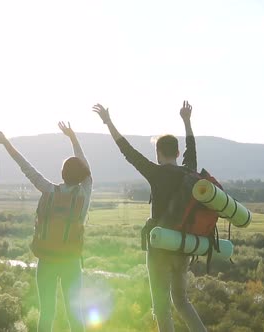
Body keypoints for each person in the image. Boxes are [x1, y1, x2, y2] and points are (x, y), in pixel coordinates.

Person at [93, 101, 206, 332]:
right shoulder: (190, 173)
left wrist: (108, 122)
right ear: (176, 152)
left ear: (157, 153)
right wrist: (187, 121)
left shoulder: (155, 172)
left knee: (161, 307)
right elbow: (192, 150)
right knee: (182, 301)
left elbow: (127, 151)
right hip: (183, 246)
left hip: (160, 248)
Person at [0, 122, 92, 332]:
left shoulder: (49, 190)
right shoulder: (83, 194)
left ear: (62, 173)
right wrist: (72, 137)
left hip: (46, 259)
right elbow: (86, 169)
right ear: (81, 176)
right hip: (71, 260)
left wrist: (6, 143)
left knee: (47, 313)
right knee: (75, 315)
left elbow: (26, 168)